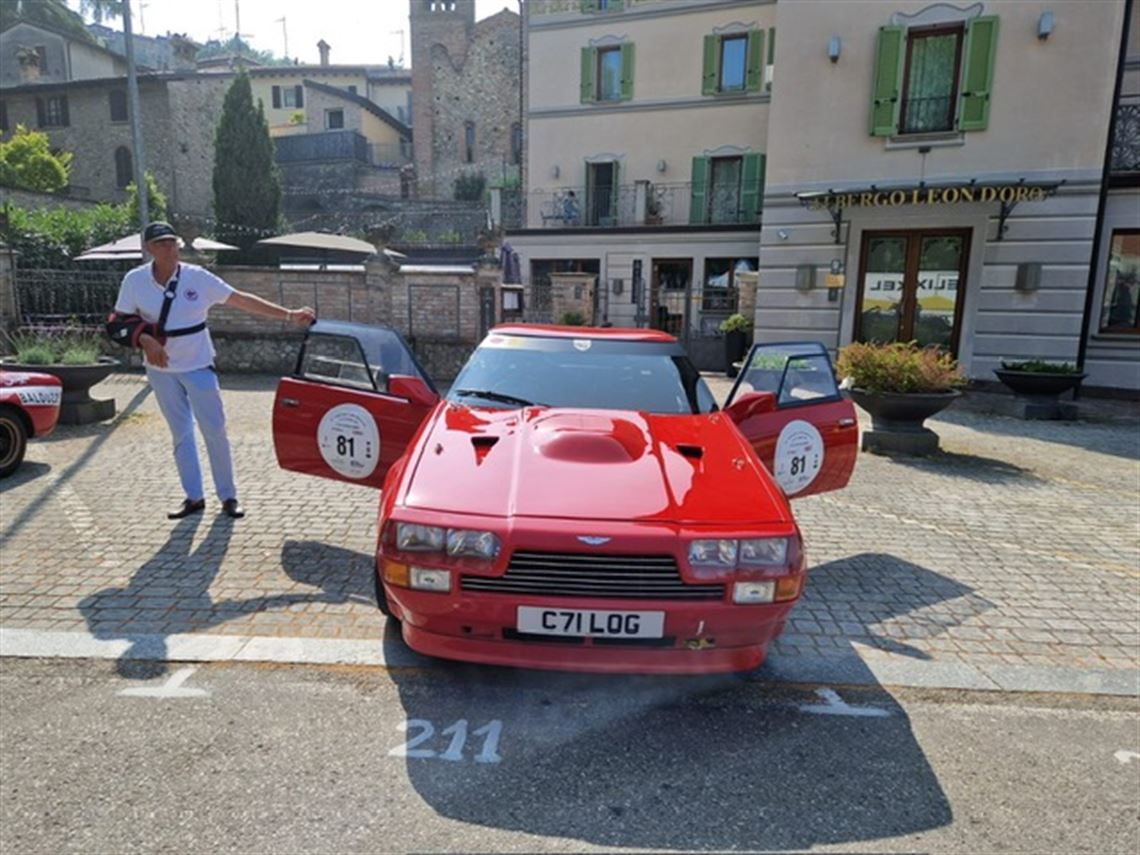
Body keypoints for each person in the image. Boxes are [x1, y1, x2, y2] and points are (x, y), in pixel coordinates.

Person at [112, 222, 315, 520]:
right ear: (148, 248)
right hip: (160, 369)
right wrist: (145, 339)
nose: (169, 248)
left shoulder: (197, 277)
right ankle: (194, 497)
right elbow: (119, 320)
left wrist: (288, 315)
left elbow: (241, 299)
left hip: (197, 364)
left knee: (215, 430)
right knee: (181, 433)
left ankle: (228, 496)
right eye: (161, 243)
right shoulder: (135, 280)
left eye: (172, 242)